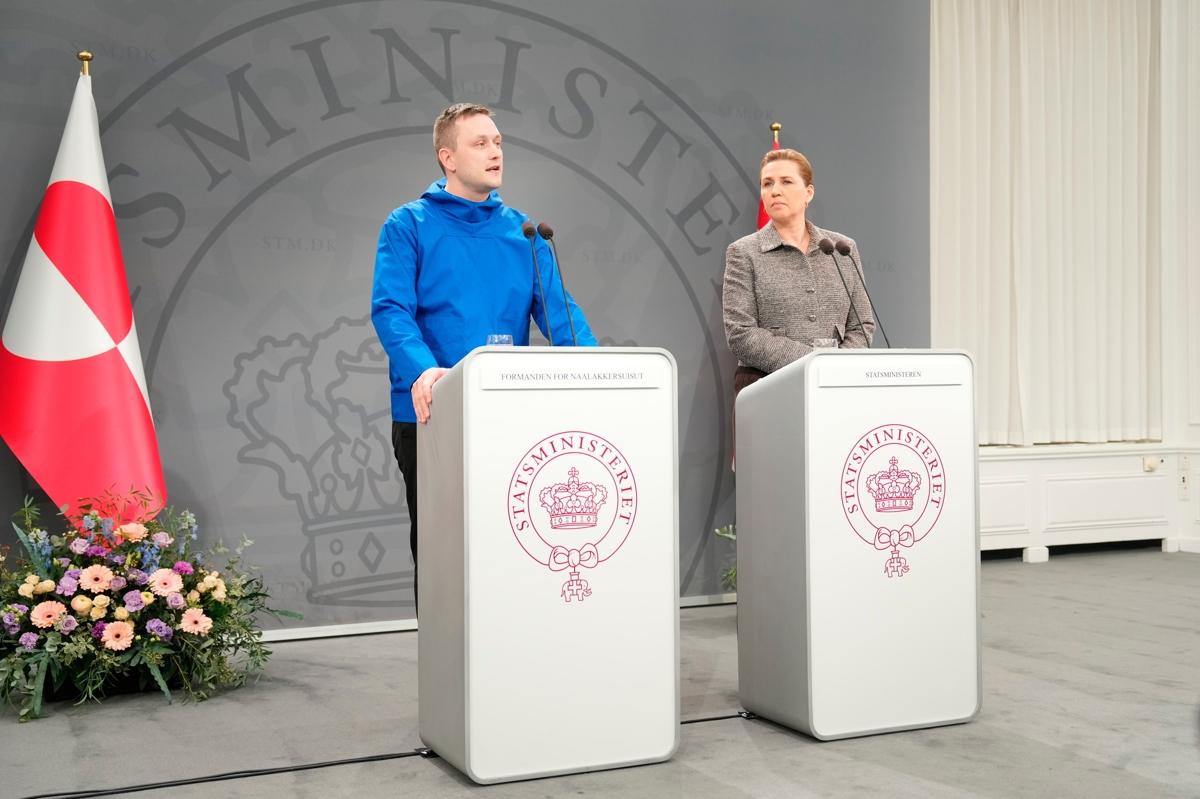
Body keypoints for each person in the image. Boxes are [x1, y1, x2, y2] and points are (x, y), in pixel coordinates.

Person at [372, 103, 596, 609]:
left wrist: (595, 373)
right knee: (443, 552)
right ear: (447, 158)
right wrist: (424, 370)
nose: (495, 152)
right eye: (480, 143)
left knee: (514, 546)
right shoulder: (409, 224)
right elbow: (391, 310)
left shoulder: (525, 233)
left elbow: (561, 316)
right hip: (432, 412)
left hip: (509, 414)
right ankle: (444, 653)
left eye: (498, 142)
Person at [722, 148, 876, 403]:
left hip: (836, 388)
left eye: (786, 181)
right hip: (767, 388)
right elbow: (740, 333)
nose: (775, 191)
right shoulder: (743, 252)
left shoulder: (842, 248)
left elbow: (862, 326)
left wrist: (837, 369)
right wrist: (814, 363)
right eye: (767, 183)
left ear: (809, 193)